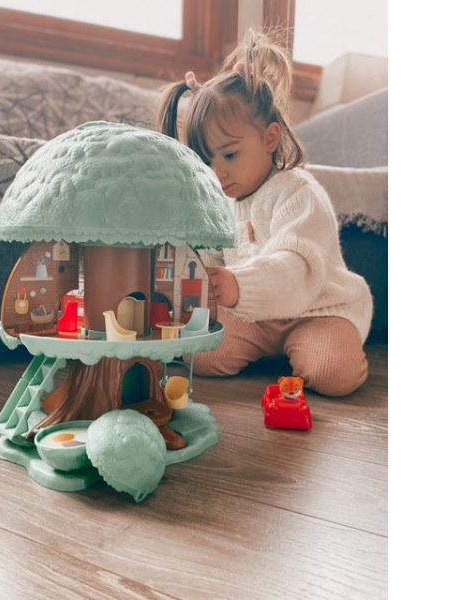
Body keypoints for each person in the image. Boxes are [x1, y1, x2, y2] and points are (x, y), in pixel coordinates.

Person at [157, 29, 372, 396]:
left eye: (229, 155)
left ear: (270, 139)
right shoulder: (220, 201)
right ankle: (274, 352)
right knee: (200, 356)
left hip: (317, 309)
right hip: (253, 315)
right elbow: (209, 259)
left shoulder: (297, 191)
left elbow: (296, 265)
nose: (217, 172)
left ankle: (314, 347)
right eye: (206, 161)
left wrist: (236, 284)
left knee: (331, 373)